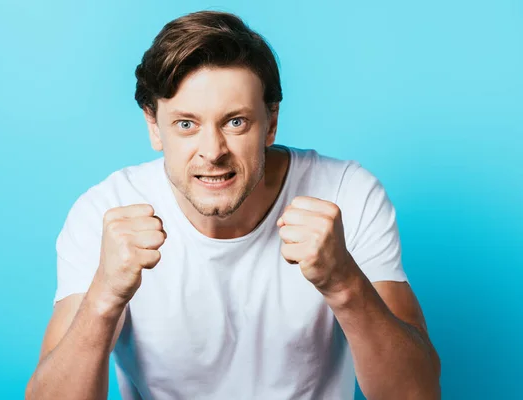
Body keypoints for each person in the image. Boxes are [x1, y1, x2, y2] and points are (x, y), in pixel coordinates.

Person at [25, 10, 441, 400]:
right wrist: (104, 296)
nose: (212, 151)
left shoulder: (348, 194)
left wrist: (344, 284)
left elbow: (417, 392)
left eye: (235, 122)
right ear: (154, 127)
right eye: (186, 125)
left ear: (271, 122)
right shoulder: (107, 211)